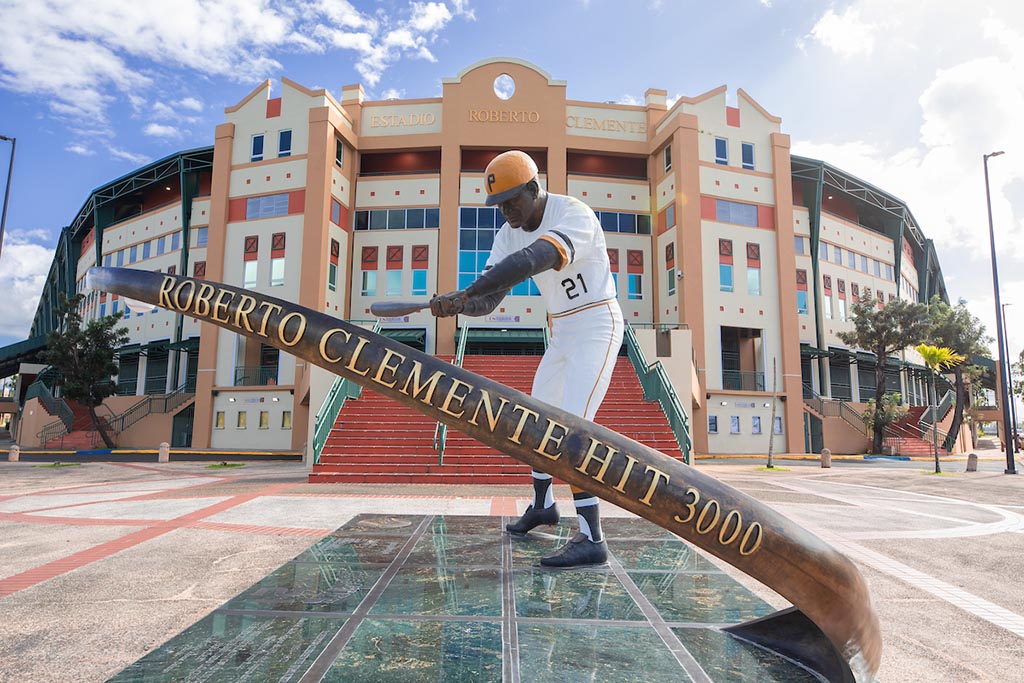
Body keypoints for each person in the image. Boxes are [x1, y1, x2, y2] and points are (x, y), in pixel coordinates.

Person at [430, 150, 623, 568]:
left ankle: (593, 539)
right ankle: (543, 507)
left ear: (535, 189)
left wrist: (468, 291)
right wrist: (462, 305)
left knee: (574, 432)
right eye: (499, 204)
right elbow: (491, 300)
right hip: (561, 332)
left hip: (596, 324)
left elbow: (534, 260)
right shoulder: (507, 232)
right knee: (534, 424)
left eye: (513, 199)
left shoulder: (573, 213)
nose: (506, 210)